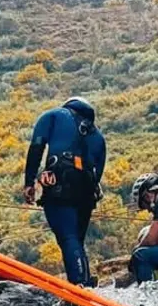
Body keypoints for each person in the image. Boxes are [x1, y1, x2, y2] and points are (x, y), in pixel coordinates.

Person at [22, 97, 106, 286]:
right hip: (87, 188)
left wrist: (29, 182)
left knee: (67, 236)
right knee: (76, 239)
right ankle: (86, 280)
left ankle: (79, 284)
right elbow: (98, 172)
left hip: (61, 179)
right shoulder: (98, 136)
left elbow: (36, 147)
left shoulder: (54, 115)